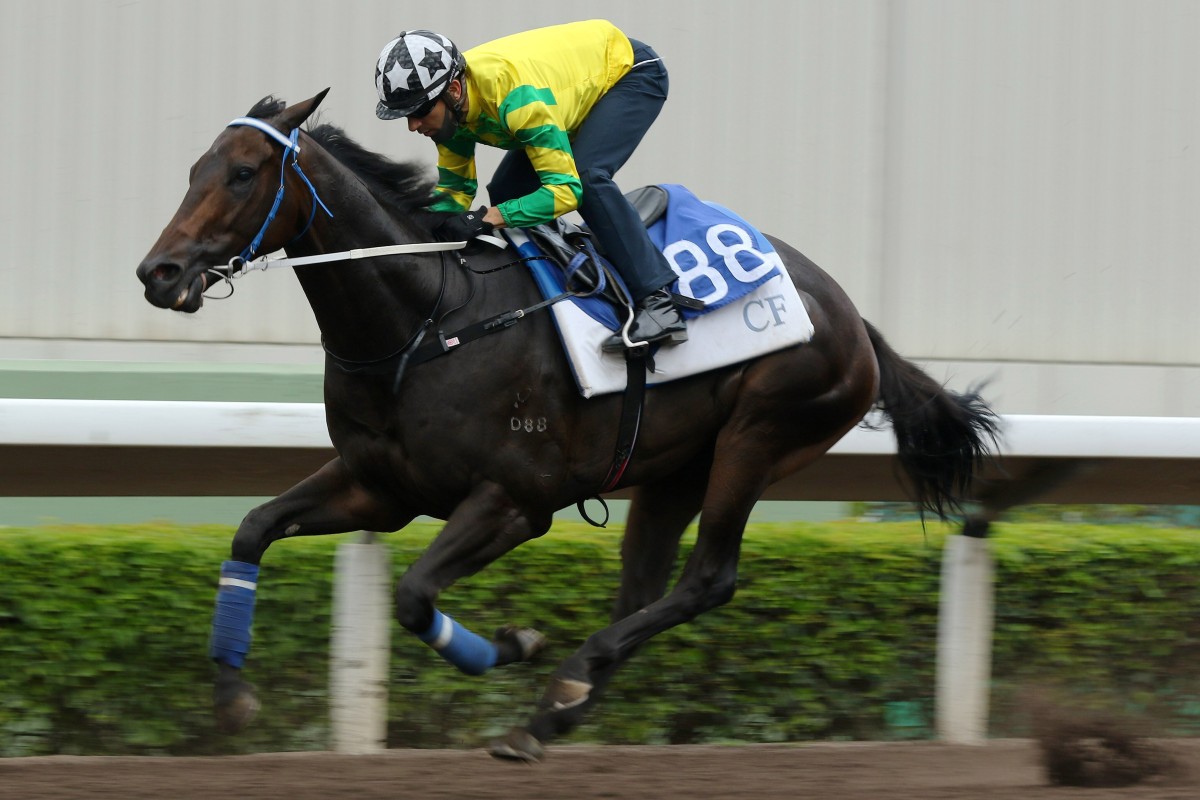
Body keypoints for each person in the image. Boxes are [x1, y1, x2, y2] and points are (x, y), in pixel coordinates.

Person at [374, 20, 686, 351]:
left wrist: (490, 217)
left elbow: (566, 191)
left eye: (419, 111)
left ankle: (659, 304)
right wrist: (421, 231)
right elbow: (456, 191)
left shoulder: (514, 98)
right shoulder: (451, 111)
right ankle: (569, 270)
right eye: (404, 115)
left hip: (628, 74)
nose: (412, 125)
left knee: (588, 178)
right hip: (567, 89)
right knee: (508, 192)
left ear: (453, 91)